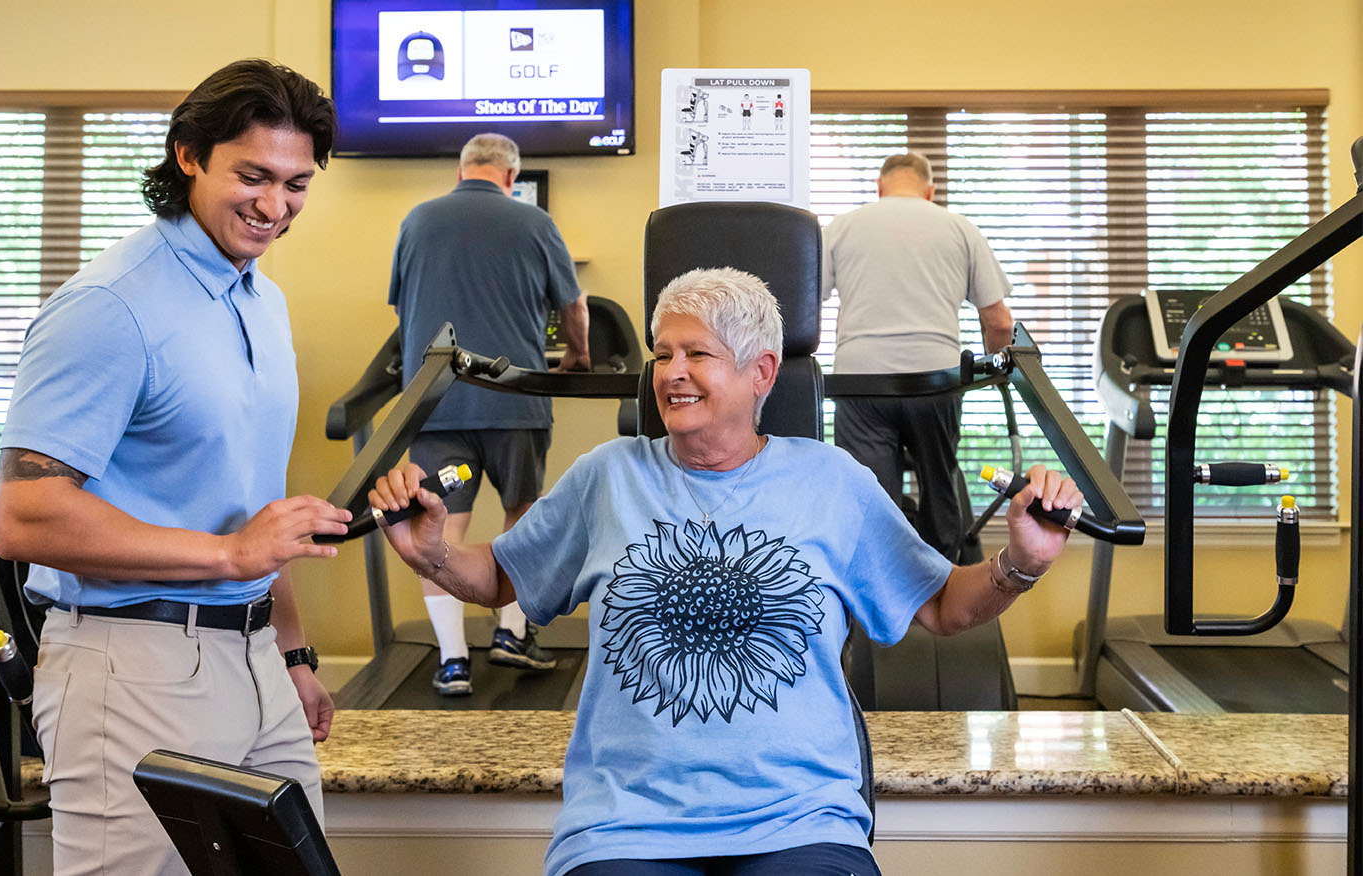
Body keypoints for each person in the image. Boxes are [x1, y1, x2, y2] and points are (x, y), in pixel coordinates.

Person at [371, 267, 1082, 876]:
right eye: (664, 354)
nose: (672, 372)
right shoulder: (607, 477)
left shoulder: (833, 481)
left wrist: (1020, 563)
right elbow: (500, 577)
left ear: (762, 372)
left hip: (800, 819)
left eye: (698, 355)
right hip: (627, 822)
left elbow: (942, 607)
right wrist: (432, 551)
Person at [0, 59, 348, 876]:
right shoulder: (110, 305)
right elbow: (25, 516)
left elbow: (252, 505)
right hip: (136, 661)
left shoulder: (261, 297)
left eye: (296, 184)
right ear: (189, 155)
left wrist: (290, 656)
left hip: (254, 659)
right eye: (252, 176)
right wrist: (229, 556)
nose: (274, 206)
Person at [388, 131, 590, 696]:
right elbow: (573, 304)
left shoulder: (417, 220)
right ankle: (511, 634)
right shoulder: (535, 223)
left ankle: (452, 660)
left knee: (439, 525)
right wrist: (578, 356)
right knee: (522, 515)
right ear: (510, 176)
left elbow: (406, 311)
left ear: (462, 171)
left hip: (435, 406)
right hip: (515, 404)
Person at [821, 150, 1016, 560]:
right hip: (935, 383)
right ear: (930, 191)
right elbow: (998, 322)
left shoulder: (841, 227)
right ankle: (943, 589)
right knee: (940, 487)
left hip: (860, 384)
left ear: (880, 187)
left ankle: (878, 607)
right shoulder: (959, 228)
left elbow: (803, 305)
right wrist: (998, 372)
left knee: (869, 501)